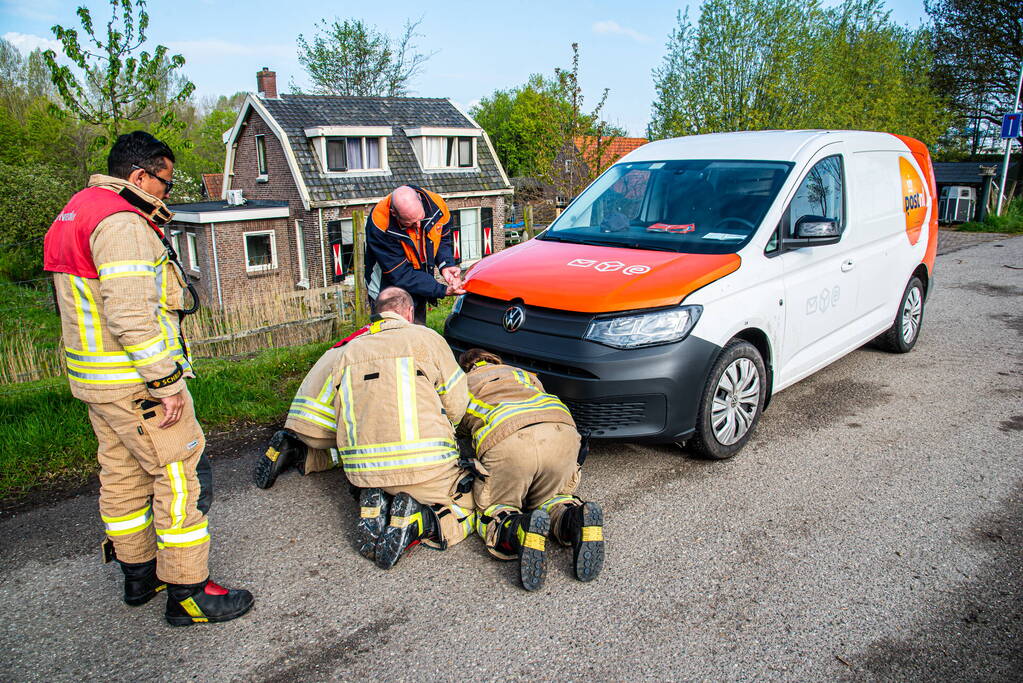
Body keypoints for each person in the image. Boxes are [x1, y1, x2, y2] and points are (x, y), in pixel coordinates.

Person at [43, 131, 253, 626]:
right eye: (164, 181)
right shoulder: (122, 223)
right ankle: (189, 592)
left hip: (96, 380)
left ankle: (140, 575)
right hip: (136, 382)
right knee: (178, 476)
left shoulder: (76, 210)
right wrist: (166, 381)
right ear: (139, 175)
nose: (166, 192)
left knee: (121, 476)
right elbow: (131, 313)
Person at [331, 287, 475, 568]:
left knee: (382, 480)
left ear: (378, 314)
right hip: (425, 468)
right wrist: (447, 428)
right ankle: (419, 520)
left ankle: (376, 501)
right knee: (471, 501)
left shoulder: (350, 351)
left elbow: (340, 412)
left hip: (362, 472)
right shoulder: (426, 339)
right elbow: (458, 401)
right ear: (409, 312)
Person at [458, 349, 605, 591]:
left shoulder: (462, 384)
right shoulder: (522, 375)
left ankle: (519, 529)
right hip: (561, 431)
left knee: (495, 509)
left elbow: (457, 427)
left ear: (466, 367)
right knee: (554, 499)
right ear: (495, 361)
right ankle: (574, 519)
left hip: (508, 438)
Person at [253, 324, 373, 490]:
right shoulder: (389, 345)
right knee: (379, 446)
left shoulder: (361, 335)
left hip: (300, 418)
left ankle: (299, 453)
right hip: (325, 427)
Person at [365, 185, 465, 324]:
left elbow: (443, 238)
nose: (418, 225)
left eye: (421, 218)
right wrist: (442, 290)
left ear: (420, 200)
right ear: (394, 213)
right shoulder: (380, 224)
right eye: (410, 223)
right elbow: (400, 273)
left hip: (420, 282)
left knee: (418, 330)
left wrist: (445, 264)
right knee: (391, 336)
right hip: (388, 289)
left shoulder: (438, 206)